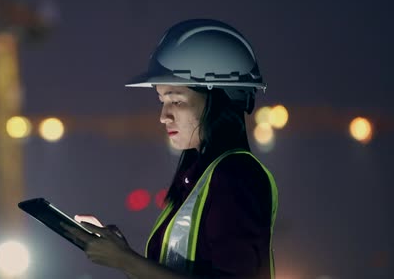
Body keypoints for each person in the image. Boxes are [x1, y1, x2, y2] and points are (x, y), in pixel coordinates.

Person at [65, 19, 278, 279]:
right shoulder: (199, 178)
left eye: (176, 100)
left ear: (218, 99)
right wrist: (121, 252)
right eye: (162, 100)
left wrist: (124, 260)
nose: (163, 115)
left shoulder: (237, 176)